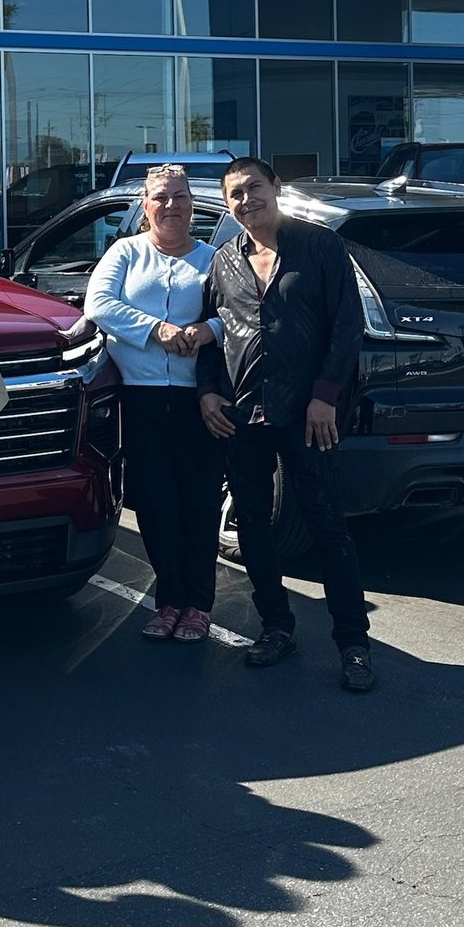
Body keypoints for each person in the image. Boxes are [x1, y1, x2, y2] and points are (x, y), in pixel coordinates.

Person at [197, 156, 375, 693]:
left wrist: (324, 397)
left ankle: (354, 645)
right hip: (242, 414)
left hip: (307, 415)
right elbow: (212, 329)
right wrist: (207, 392)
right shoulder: (225, 260)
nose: (246, 199)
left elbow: (347, 326)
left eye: (254, 187)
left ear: (276, 187)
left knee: (326, 526)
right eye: (235, 194)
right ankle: (276, 627)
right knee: (253, 527)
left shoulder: (320, 246)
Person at [85, 165, 224, 643]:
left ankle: (199, 606)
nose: (171, 206)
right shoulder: (126, 252)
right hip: (140, 399)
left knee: (199, 504)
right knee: (156, 503)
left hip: (198, 401)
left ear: (193, 205)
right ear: (145, 205)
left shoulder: (215, 260)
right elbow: (99, 304)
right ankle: (169, 601)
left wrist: (208, 330)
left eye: (180, 197)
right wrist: (155, 330)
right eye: (161, 197)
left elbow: (240, 312)